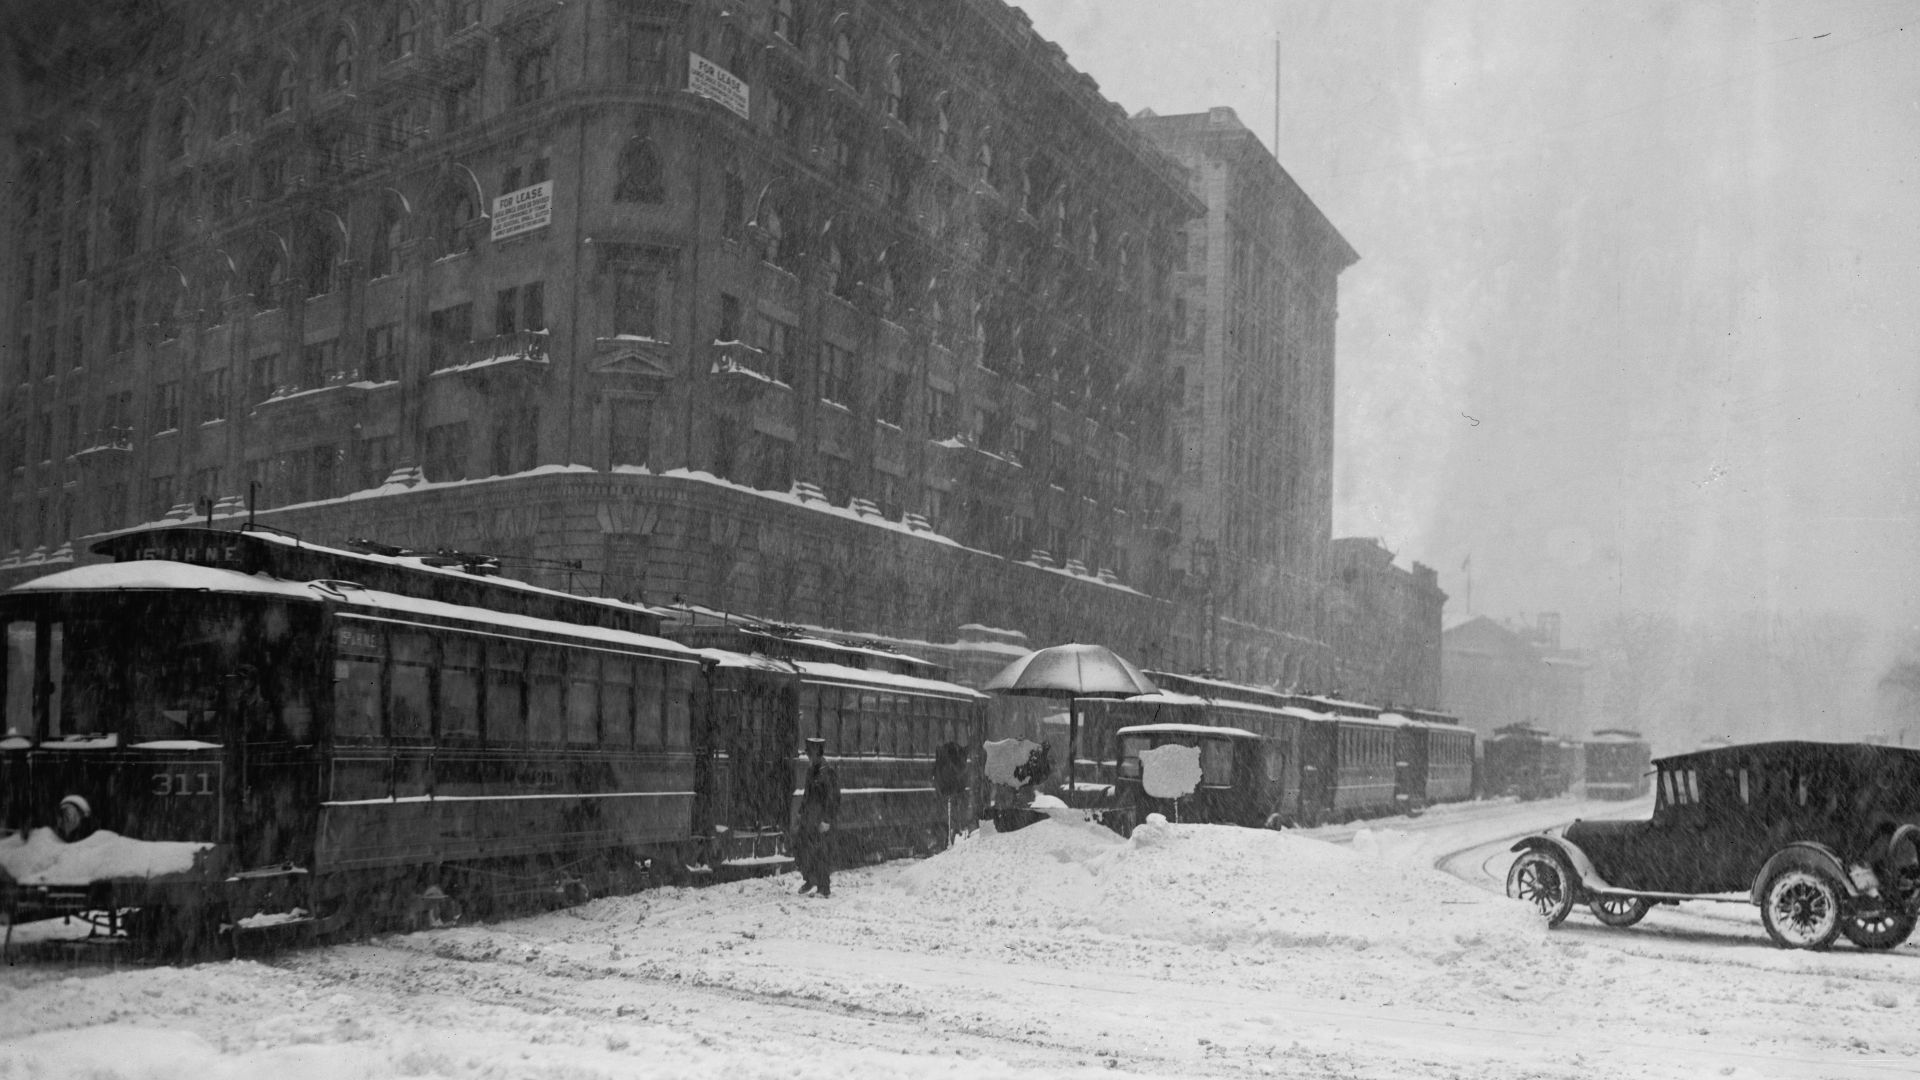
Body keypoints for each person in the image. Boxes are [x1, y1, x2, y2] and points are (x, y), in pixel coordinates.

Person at [795, 737, 841, 897]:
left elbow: (833, 798)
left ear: (817, 754)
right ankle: (810, 879)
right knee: (804, 850)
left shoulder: (827, 772)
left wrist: (827, 820)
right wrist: (801, 812)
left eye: (810, 754)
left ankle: (824, 887)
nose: (808, 757)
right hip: (809, 818)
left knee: (821, 853)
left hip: (820, 819)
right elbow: (807, 794)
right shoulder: (812, 770)